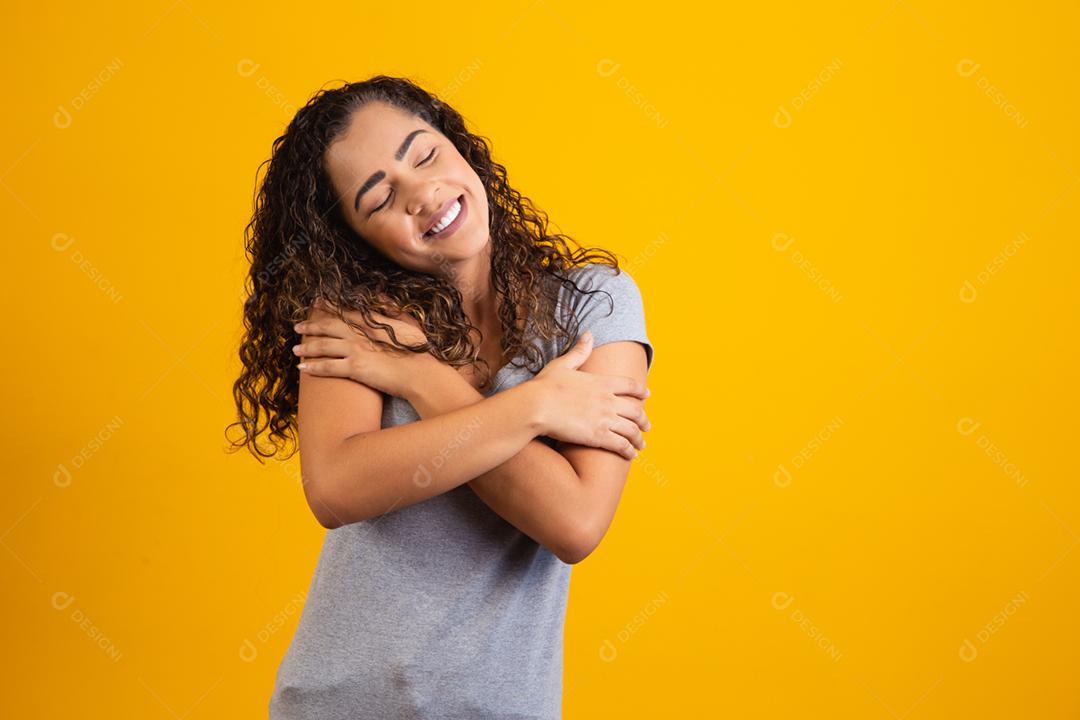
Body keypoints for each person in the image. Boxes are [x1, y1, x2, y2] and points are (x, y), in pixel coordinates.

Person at [227, 75, 655, 719]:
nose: (423, 194)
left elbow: (573, 521)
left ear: (460, 148)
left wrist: (417, 375)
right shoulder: (353, 316)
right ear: (356, 237)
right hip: (341, 702)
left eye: (424, 155)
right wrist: (534, 406)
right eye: (379, 198)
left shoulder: (591, 304)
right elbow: (336, 487)